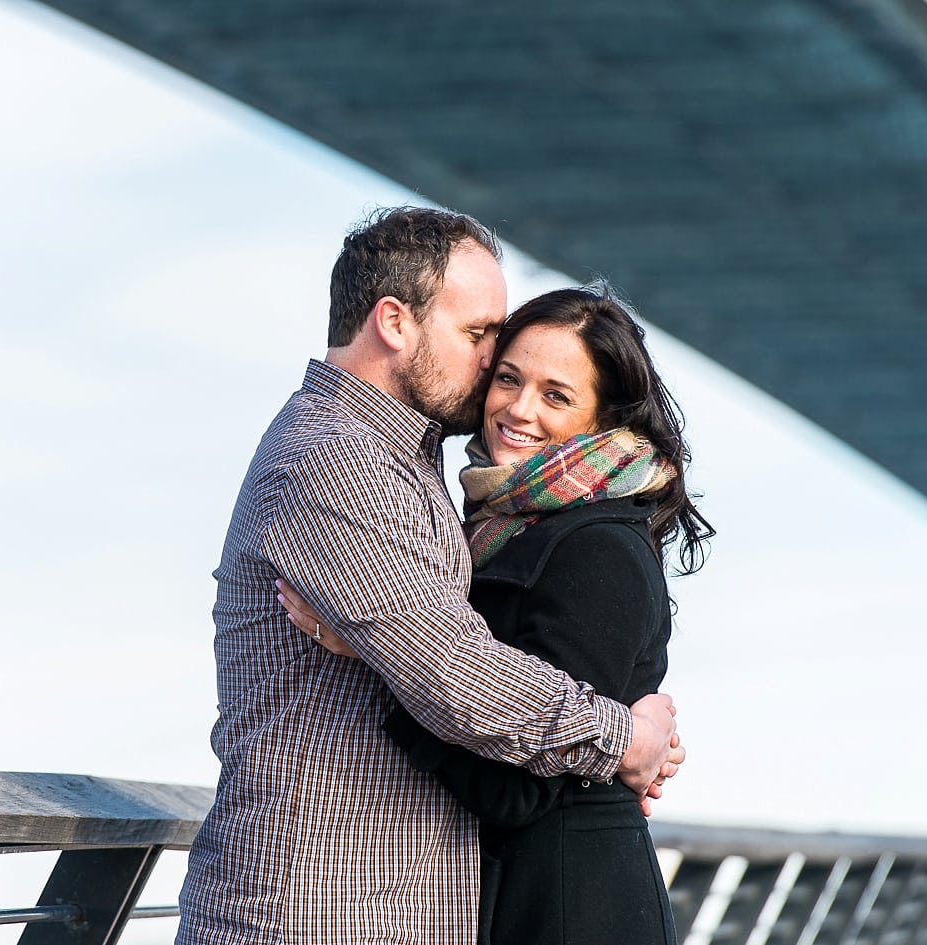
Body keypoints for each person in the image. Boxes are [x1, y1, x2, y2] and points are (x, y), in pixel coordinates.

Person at [174, 207, 684, 945]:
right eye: (480, 337)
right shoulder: (336, 459)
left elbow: (452, 658)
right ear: (394, 322)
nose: (491, 368)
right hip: (312, 915)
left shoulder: (413, 466)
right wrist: (623, 739)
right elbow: (455, 673)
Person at [284, 283, 714, 944]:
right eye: (508, 379)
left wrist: (378, 644)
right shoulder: (504, 527)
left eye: (556, 395)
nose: (518, 409)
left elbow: (516, 792)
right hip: (519, 896)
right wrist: (628, 737)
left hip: (569, 909)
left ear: (602, 421)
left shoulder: (600, 548)